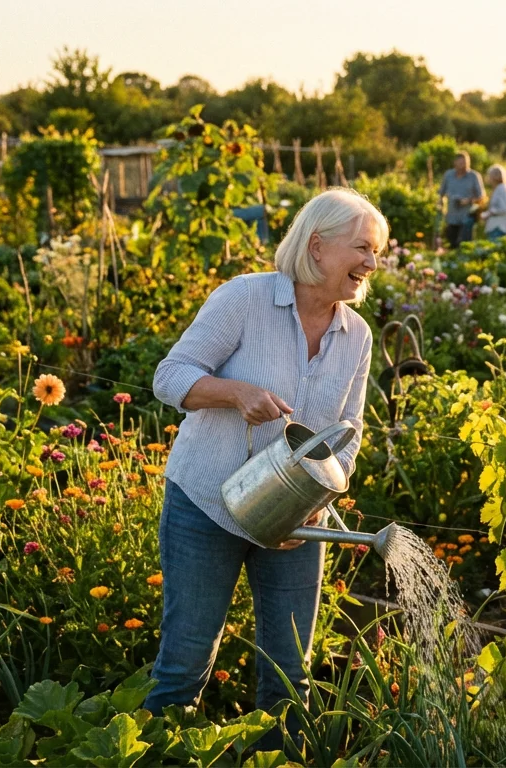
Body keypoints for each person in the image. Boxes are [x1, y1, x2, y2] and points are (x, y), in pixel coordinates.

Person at [147, 188, 384, 740]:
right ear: (318, 246)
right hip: (207, 507)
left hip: (297, 527)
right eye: (363, 249)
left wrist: (311, 505)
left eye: (377, 253)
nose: (372, 264)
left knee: (289, 675)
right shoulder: (244, 300)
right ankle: (159, 751)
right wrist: (232, 392)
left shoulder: (357, 335)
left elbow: (349, 433)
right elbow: (170, 376)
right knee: (185, 666)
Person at [438, 151, 485, 249]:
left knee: (465, 245)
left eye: (465, 163)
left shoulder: (474, 176)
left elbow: (481, 196)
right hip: (452, 216)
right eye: (460, 163)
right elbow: (441, 193)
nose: (463, 166)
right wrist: (440, 205)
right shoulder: (448, 175)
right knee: (451, 244)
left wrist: (468, 201)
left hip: (467, 217)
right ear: (455, 163)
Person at [481, 164, 506, 241]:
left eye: (490, 176)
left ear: (495, 177)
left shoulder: (502, 189)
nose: (489, 178)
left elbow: (504, 208)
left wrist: (489, 213)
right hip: (499, 226)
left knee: (495, 250)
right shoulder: (500, 188)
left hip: (499, 227)